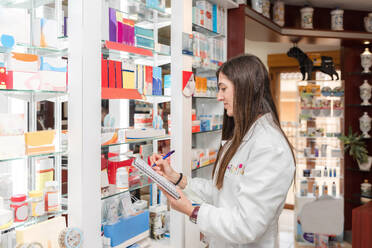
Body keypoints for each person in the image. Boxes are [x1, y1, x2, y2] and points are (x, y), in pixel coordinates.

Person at [150, 54, 295, 248]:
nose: (219, 97)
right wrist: (177, 178)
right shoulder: (242, 136)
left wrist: (191, 210)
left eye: (223, 88)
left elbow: (247, 225)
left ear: (245, 88)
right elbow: (222, 192)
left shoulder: (270, 147)